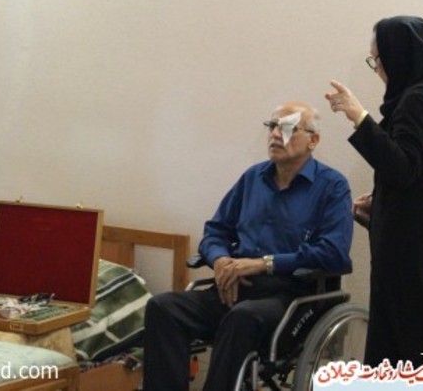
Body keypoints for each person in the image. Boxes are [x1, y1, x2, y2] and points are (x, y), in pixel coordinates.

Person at [142, 101, 353, 391]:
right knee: (162, 308)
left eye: (287, 128)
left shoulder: (332, 186)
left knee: (241, 318)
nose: (275, 134)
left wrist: (264, 264)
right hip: (235, 288)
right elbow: (215, 232)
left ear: (313, 140)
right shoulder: (253, 178)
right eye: (272, 126)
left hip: (291, 296)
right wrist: (220, 260)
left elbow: (333, 253)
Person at [324, 15, 423, 367]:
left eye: (378, 59)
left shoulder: (421, 98)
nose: (378, 69)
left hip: (415, 254)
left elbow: (402, 167)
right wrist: (381, 206)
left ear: (402, 54)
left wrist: (359, 117)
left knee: (409, 357)